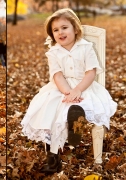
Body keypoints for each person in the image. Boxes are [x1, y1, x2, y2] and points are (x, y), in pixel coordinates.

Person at [21, 8, 117, 174]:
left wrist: (77, 90)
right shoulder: (53, 52)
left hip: (85, 86)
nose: (60, 32)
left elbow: (91, 73)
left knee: (80, 105)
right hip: (61, 88)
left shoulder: (86, 47)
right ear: (52, 34)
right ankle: (52, 157)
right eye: (55, 30)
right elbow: (57, 75)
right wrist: (68, 93)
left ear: (75, 28)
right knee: (50, 108)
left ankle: (75, 126)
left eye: (64, 27)